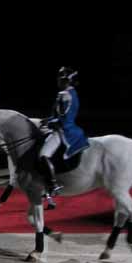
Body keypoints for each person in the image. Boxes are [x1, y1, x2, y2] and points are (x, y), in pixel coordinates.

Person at [38, 67, 89, 195]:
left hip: (63, 130)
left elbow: (63, 119)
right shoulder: (73, 92)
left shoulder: (63, 95)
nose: (57, 81)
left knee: (43, 155)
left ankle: (53, 185)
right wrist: (48, 119)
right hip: (72, 127)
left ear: (66, 81)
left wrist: (49, 123)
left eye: (59, 79)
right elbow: (61, 115)